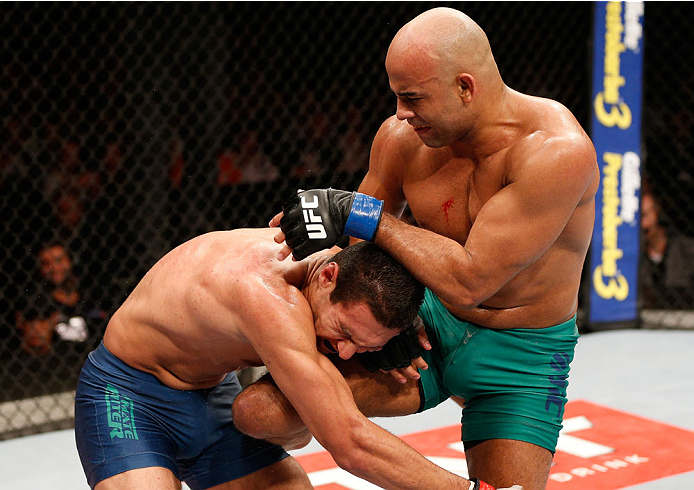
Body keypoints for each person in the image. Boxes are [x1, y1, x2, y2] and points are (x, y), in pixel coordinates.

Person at [239, 7, 599, 490]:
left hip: (521, 354)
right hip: (425, 326)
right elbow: (351, 254)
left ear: (465, 87)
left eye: (412, 98)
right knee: (260, 412)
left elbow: (471, 279)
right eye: (396, 97)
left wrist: (360, 213)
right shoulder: (402, 140)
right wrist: (388, 316)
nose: (401, 113)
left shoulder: (556, 152)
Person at [74, 228, 513, 490]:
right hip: (129, 397)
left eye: (362, 346)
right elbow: (350, 444)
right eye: (343, 333)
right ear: (327, 276)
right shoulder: (267, 297)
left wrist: (401, 327)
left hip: (212, 396)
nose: (345, 352)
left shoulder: (340, 269)